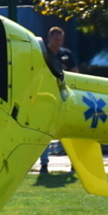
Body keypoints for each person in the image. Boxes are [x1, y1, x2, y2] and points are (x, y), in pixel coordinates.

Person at [40, 26, 79, 175]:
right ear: (49, 38)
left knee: (67, 130)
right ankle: (44, 164)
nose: (59, 42)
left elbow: (75, 73)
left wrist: (65, 70)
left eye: (61, 39)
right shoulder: (43, 54)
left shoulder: (66, 54)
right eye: (56, 39)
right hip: (47, 96)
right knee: (45, 130)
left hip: (63, 96)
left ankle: (74, 163)